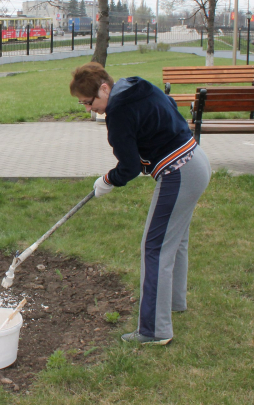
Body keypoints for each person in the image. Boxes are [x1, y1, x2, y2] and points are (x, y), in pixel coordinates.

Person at [70, 62, 211, 346]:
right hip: (197, 161)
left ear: (104, 88)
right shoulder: (134, 86)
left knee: (154, 248)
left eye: (89, 102)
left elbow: (130, 166)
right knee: (176, 240)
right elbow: (169, 107)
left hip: (178, 173)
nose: (89, 109)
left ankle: (154, 330)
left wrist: (108, 180)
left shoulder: (118, 110)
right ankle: (173, 303)